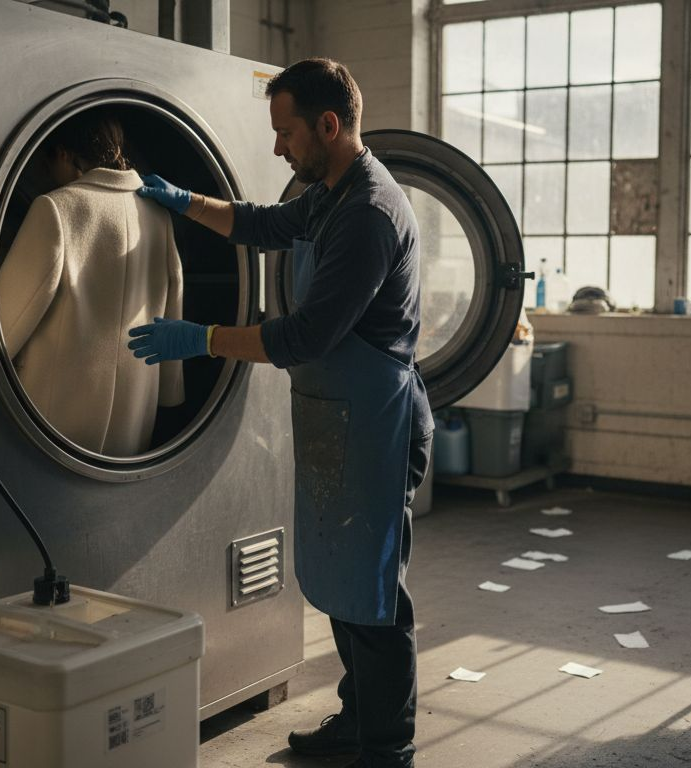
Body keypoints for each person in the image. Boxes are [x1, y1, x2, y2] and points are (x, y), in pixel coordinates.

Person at [129, 58, 431, 768]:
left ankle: (388, 747)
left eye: (285, 133)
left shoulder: (368, 213)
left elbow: (305, 337)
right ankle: (358, 720)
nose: (276, 148)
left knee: (375, 592)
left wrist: (199, 339)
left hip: (376, 421)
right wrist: (183, 200)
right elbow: (263, 225)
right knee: (336, 579)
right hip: (335, 413)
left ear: (328, 125)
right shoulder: (330, 191)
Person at [0, 111, 184, 455]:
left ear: (64, 155)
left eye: (48, 162)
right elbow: (171, 309)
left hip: (53, 419)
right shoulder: (158, 214)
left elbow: (5, 324)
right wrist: (170, 391)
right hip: (134, 416)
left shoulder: (56, 208)